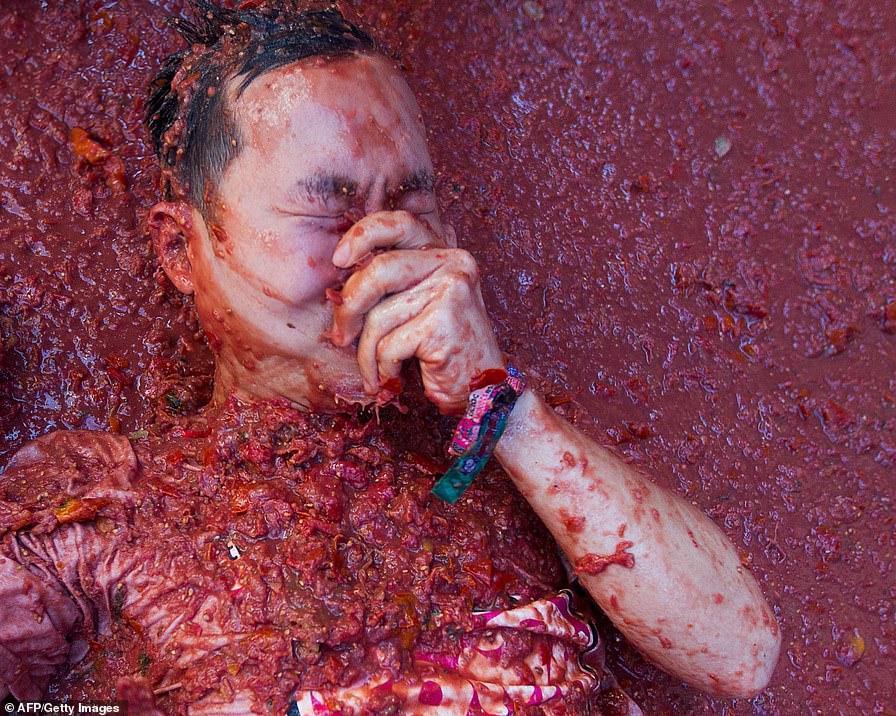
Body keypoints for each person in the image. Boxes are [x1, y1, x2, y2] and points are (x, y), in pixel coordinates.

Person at [0, 3, 780, 713]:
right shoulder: (109, 509)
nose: (381, 254)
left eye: (410, 203)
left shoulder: (489, 473)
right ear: (180, 249)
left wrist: (498, 405)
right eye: (324, 207)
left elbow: (740, 655)